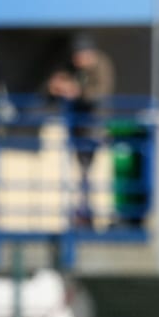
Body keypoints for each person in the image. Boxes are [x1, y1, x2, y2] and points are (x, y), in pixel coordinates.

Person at [47, 33, 113, 229]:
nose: (77, 60)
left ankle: (92, 216)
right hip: (77, 127)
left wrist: (77, 91)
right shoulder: (72, 68)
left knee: (94, 172)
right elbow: (54, 87)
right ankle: (83, 214)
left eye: (80, 55)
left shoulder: (101, 66)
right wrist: (57, 86)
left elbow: (99, 93)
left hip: (96, 127)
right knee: (80, 172)